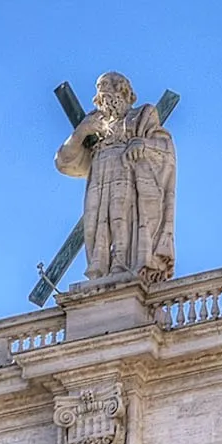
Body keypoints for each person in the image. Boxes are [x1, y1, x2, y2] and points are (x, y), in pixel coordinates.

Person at [55, 71, 176, 284]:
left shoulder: (143, 115)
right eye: (102, 96)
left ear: (123, 92)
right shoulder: (93, 121)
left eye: (109, 93)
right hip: (99, 172)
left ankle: (122, 264)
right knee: (94, 223)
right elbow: (64, 160)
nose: (105, 100)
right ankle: (98, 269)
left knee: (121, 218)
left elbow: (165, 147)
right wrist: (81, 132)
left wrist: (143, 144)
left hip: (127, 171)